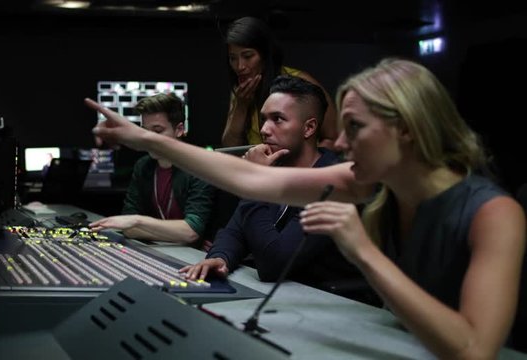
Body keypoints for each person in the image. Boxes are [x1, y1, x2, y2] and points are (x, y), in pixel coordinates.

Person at [86, 58, 526, 358]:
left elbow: (474, 349)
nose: (339, 142)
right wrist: (145, 139)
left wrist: (364, 252)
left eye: (354, 127)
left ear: (406, 129)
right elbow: (252, 179)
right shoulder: (369, 183)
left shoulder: (494, 213)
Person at [181, 75, 375, 303]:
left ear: (309, 128)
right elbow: (234, 230)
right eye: (264, 119)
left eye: (278, 119)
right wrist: (221, 257)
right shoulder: (275, 168)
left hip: (330, 305)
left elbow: (273, 263)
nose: (264, 129)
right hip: (286, 299)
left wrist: (253, 185)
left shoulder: (330, 181)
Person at [88, 93, 214, 246]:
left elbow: (191, 231)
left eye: (158, 130)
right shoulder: (143, 166)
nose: (148, 138)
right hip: (168, 249)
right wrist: (176, 234)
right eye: (145, 131)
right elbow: (128, 228)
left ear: (179, 129)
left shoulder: (198, 166)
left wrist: (138, 222)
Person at [221, 16, 338, 150]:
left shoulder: (301, 83)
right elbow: (230, 147)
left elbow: (332, 138)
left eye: (248, 56)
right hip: (260, 168)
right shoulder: (241, 90)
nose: (240, 66)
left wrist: (303, 167)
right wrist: (241, 106)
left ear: (265, 55)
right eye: (233, 58)